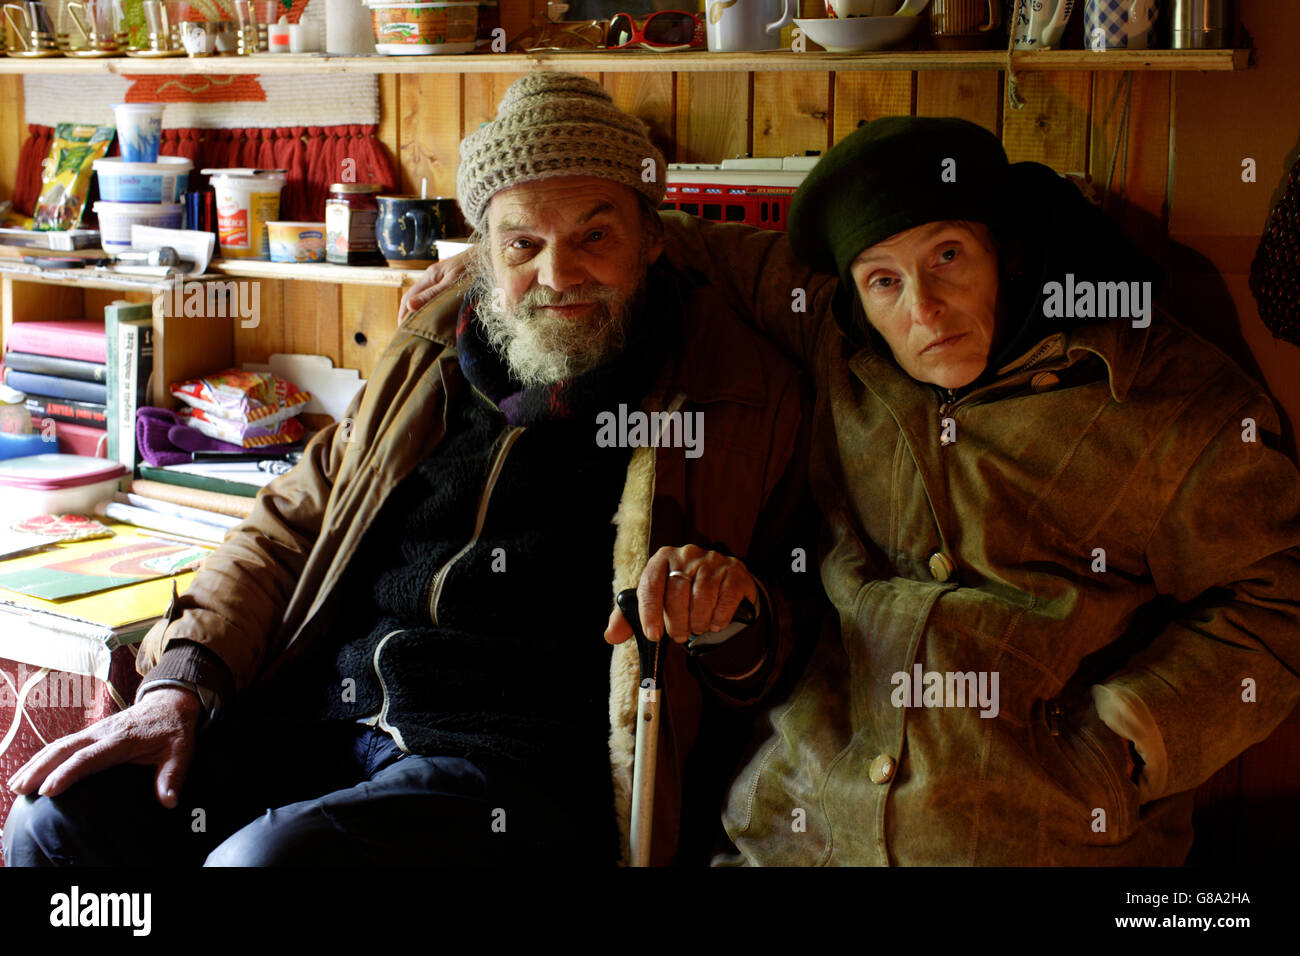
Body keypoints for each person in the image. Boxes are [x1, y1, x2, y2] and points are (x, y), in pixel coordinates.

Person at [404, 114, 1300, 865]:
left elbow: (1282, 593)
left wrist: (1134, 733)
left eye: (949, 257)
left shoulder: (1165, 395)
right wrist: (493, 266)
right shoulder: (840, 336)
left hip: (1037, 831)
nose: (924, 307)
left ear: (1009, 253)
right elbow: (672, 242)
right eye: (885, 281)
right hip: (799, 828)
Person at [2, 72, 815, 868]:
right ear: (484, 253)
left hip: (512, 771)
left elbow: (788, 639)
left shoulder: (733, 391)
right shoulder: (428, 355)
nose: (559, 275)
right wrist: (178, 684)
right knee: (54, 824)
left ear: (656, 238)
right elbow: (288, 527)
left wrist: (730, 611)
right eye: (523, 244)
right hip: (321, 719)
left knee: (267, 862)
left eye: (596, 236)